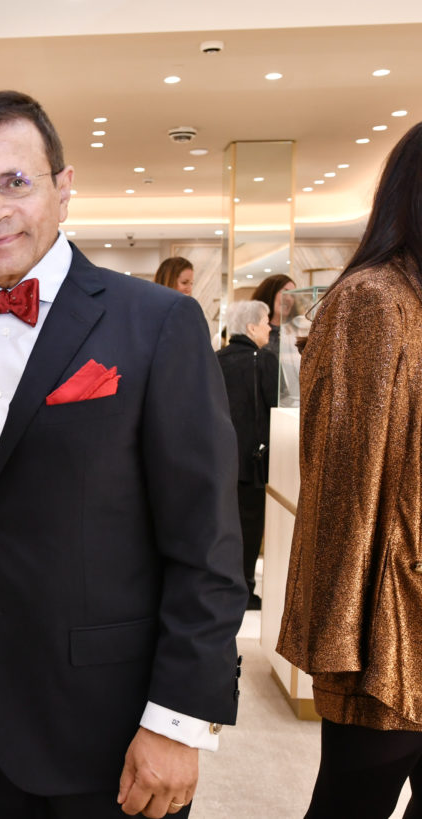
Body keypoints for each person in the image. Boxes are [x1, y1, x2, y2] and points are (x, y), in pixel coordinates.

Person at [0, 90, 246, 819]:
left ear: (63, 187)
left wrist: (179, 719)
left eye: (14, 182)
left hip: (112, 725)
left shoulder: (159, 323)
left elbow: (208, 541)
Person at [277, 122, 422, 819]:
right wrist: (339, 644)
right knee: (351, 802)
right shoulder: (375, 300)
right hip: (389, 626)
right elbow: (344, 483)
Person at [215, 300, 278, 611]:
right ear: (252, 327)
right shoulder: (264, 361)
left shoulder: (215, 359)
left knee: (222, 527)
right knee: (250, 529)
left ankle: (221, 587)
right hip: (253, 462)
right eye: (266, 321)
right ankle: (245, 590)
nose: (269, 327)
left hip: (220, 460)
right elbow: (275, 407)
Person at [250, 274, 295, 356]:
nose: (289, 298)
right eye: (285, 292)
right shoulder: (252, 330)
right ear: (270, 293)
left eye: (292, 295)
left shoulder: (296, 332)